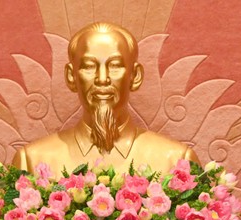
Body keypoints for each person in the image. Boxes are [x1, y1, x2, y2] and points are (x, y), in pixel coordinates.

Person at [12, 22, 199, 173]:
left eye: (115, 65)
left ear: (135, 76)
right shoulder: (31, 162)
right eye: (89, 66)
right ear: (71, 76)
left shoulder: (177, 161)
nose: (102, 79)